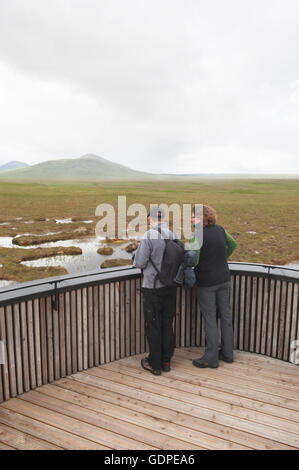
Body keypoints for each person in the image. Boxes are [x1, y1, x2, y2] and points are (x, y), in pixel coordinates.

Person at [133, 207, 178, 375]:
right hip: (170, 286)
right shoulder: (173, 235)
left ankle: (155, 364)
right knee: (167, 323)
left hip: (152, 287)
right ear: (164, 219)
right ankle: (167, 360)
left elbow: (139, 263)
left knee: (153, 325)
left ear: (150, 219)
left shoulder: (148, 236)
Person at [191, 205, 237, 368]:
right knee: (225, 316)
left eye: (193, 216)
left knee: (210, 319)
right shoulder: (221, 230)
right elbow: (233, 244)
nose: (191, 219)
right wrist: (222, 257)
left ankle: (211, 358)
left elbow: (194, 260)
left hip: (207, 282)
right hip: (224, 278)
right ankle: (227, 353)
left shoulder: (197, 235)